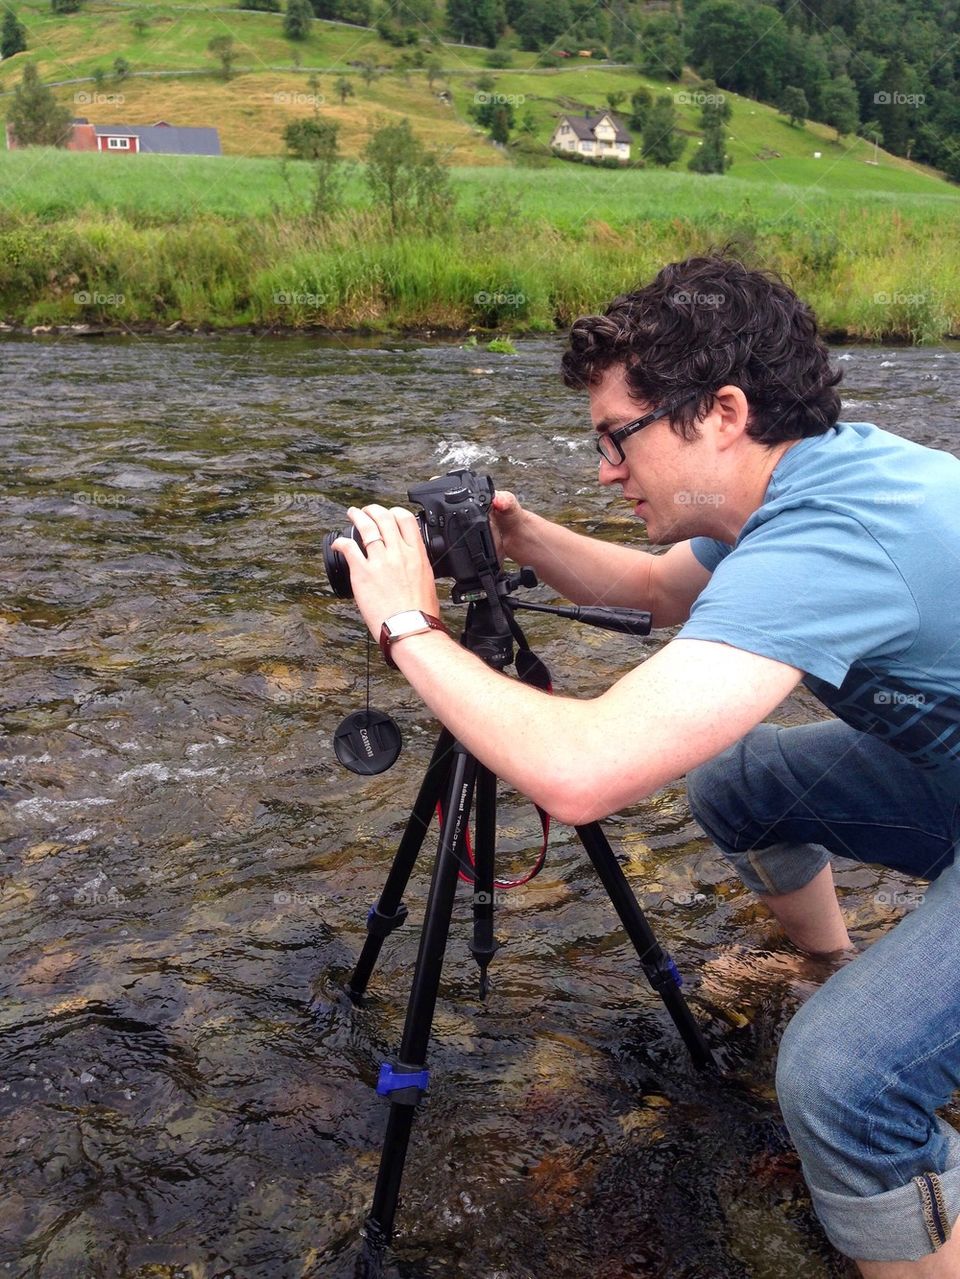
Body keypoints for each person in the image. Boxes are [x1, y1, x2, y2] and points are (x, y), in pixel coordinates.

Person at [332, 254, 960, 1277]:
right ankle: (827, 964)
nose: (606, 472)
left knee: (844, 1081)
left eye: (616, 439)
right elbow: (661, 588)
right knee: (739, 778)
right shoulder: (800, 476)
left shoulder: (836, 533)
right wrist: (520, 535)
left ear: (719, 412)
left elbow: (585, 772)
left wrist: (406, 624)